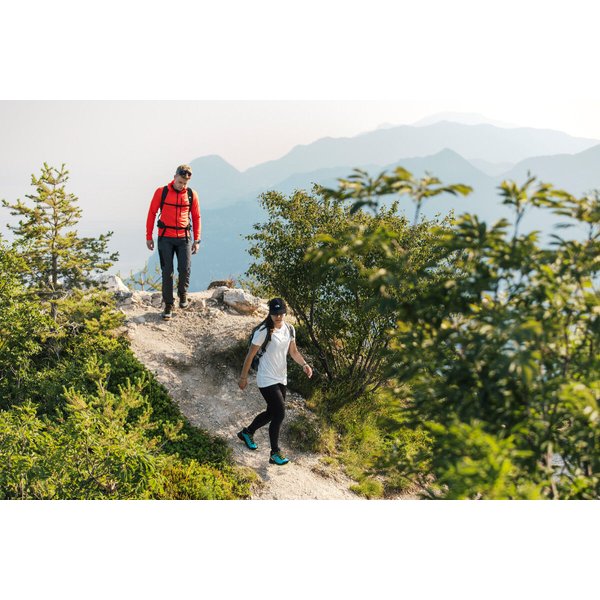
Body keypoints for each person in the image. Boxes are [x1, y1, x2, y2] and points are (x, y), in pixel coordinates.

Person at [237, 298, 313, 465]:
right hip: (266, 378)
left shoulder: (289, 329)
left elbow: (293, 352)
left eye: (280, 313)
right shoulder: (263, 331)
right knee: (280, 413)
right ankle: (274, 453)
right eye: (274, 313)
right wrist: (243, 378)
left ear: (285, 312)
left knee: (271, 413)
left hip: (281, 377)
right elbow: (250, 355)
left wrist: (304, 365)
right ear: (270, 313)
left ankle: (247, 432)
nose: (278, 317)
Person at [146, 164, 201, 320]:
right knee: (167, 272)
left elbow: (196, 217)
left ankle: (182, 294)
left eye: (185, 183)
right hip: (165, 238)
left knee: (185, 269)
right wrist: (149, 236)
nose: (182, 185)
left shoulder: (191, 194)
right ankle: (168, 305)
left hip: (184, 238)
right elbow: (151, 213)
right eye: (180, 182)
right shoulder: (161, 192)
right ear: (175, 177)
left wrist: (197, 239)